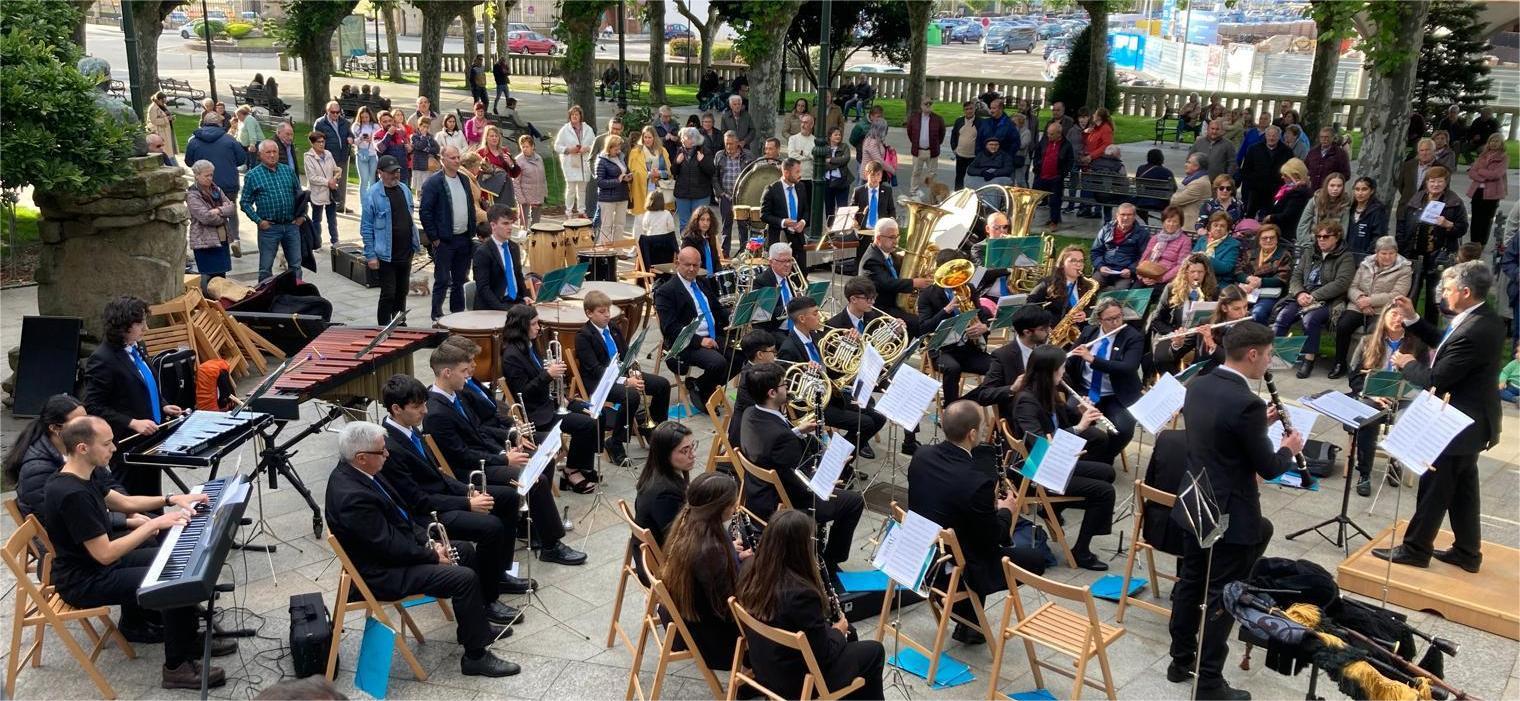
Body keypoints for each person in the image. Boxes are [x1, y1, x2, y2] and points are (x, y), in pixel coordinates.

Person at [40, 416, 233, 688]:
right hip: (84, 580)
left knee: (177, 562)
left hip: (97, 566)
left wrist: (172, 499)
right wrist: (154, 523)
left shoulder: (84, 473)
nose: (114, 448)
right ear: (83, 448)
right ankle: (176, 667)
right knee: (172, 581)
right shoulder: (72, 494)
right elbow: (105, 553)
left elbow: (125, 502)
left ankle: (188, 640)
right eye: (107, 443)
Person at [1165, 323, 1303, 699]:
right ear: (1253, 354)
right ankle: (1209, 682)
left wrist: (1259, 426)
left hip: (1195, 500)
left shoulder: (1200, 383)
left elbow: (1218, 435)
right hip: (1227, 511)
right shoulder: (1247, 403)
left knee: (1190, 582)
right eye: (1269, 355)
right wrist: (1289, 448)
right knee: (1223, 594)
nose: (1270, 361)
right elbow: (1270, 468)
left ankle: (1180, 661)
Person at [325, 422, 520, 678]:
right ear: (361, 457)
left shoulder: (363, 471)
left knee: (463, 550)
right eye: (381, 451)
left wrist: (431, 542)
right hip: (382, 573)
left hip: (394, 555)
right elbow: (387, 546)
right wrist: (430, 555)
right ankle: (475, 657)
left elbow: (403, 516)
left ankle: (476, 626)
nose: (387, 454)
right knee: (463, 578)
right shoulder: (352, 498)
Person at [1374, 262, 1505, 573]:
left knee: (1435, 486)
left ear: (1465, 292)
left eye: (1447, 289)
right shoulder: (1482, 318)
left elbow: (1437, 378)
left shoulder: (1474, 330)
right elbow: (1446, 345)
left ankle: (1416, 549)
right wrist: (1413, 319)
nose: (1443, 294)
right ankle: (1467, 552)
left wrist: (1407, 363)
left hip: (1457, 424)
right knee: (1463, 490)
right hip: (1472, 421)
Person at [421, 342, 585, 569]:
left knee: (539, 459)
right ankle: (551, 545)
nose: (468, 375)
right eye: (463, 371)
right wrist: (504, 459)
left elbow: (478, 432)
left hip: (484, 457)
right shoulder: (436, 412)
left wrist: (504, 449)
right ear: (447, 373)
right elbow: (461, 456)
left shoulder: (454, 395)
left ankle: (533, 524)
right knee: (534, 480)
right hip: (469, 472)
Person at [377, 374, 532, 603]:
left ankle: (498, 572)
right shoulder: (390, 447)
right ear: (396, 409)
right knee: (491, 527)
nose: (425, 411)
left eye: (425, 404)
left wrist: (467, 490)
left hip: (441, 496)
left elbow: (438, 474)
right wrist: (467, 503)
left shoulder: (410, 428)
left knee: (509, 496)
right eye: (417, 407)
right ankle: (488, 597)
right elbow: (417, 500)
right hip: (426, 514)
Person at [734, 508, 884, 699]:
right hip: (798, 682)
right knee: (874, 651)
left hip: (764, 665)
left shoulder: (749, 568)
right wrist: (838, 631)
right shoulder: (802, 595)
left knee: (851, 634)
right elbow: (823, 655)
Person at [1010, 346, 1119, 570]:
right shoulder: (1026, 402)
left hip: (1052, 463)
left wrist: (1081, 412)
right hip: (1036, 470)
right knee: (1105, 493)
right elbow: (1039, 444)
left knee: (1108, 472)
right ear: (1049, 371)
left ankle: (1054, 509)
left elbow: (1063, 421)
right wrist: (1079, 428)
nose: (1064, 372)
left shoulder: (1047, 391)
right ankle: (1081, 551)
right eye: (1061, 368)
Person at [497, 305, 604, 499]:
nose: (538, 327)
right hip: (537, 413)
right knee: (586, 424)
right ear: (521, 326)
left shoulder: (530, 345)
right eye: (533, 324)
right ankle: (571, 472)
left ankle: (582, 465)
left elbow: (539, 377)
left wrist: (559, 393)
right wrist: (548, 374)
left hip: (550, 401)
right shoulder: (511, 356)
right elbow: (523, 393)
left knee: (593, 411)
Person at [657, 471, 749, 671]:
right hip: (714, 639)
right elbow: (730, 606)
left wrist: (734, 555)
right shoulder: (711, 551)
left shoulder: (688, 522)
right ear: (717, 509)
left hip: (692, 617)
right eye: (732, 504)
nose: (736, 507)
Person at [777, 296, 887, 458]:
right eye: (815, 313)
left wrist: (849, 343)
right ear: (802, 319)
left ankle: (838, 458)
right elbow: (790, 388)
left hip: (832, 395)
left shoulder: (815, 336)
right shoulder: (789, 348)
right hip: (814, 405)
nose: (820, 316)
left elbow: (835, 363)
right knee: (866, 423)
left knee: (879, 418)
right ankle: (839, 461)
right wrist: (809, 374)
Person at [575, 289, 671, 463]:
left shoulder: (612, 327)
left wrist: (632, 370)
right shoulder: (583, 336)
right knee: (631, 395)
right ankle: (616, 442)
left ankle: (653, 429)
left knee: (662, 384)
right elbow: (596, 370)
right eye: (601, 312)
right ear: (589, 313)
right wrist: (626, 381)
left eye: (608, 310)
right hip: (600, 382)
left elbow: (625, 354)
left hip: (622, 374)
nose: (607, 315)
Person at [1345, 304, 1431, 496]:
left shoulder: (1418, 344)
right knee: (1368, 417)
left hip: (1404, 398)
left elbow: (1425, 378)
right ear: (1383, 317)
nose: (1398, 319)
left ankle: (1395, 462)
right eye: (1393, 314)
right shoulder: (1367, 342)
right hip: (1373, 397)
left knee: (1406, 418)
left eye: (1402, 316)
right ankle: (1364, 473)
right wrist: (1373, 394)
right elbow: (1354, 377)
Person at [654, 245, 737, 409]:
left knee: (739, 355)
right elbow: (670, 328)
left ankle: (701, 386)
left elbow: (716, 308)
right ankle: (706, 392)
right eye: (687, 265)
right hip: (687, 343)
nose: (692, 269)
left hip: (712, 335)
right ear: (677, 263)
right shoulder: (666, 291)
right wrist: (700, 341)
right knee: (718, 363)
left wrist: (733, 318)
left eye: (696, 265)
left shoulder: (702, 282)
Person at [1065, 297, 1143, 462]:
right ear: (1099, 320)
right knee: (1070, 413)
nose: (1116, 322)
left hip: (1117, 394)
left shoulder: (1132, 336)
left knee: (1123, 429)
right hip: (1086, 390)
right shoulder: (1089, 332)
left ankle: (1103, 460)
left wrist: (1093, 360)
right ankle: (1074, 457)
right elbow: (1072, 360)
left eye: (1119, 317)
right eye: (1110, 319)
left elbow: (1129, 367)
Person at [1275, 220, 1356, 379]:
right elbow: (1296, 276)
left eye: (1326, 236)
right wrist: (1299, 293)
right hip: (1303, 296)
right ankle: (1276, 355)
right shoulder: (1310, 251)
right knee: (1283, 316)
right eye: (1318, 236)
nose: (1321, 240)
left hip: (1328, 300)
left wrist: (1314, 296)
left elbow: (1341, 283)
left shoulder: (1345, 257)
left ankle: (1308, 360)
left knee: (1310, 319)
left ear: (1337, 237)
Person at [1330, 237, 1413, 379]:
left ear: (1397, 253)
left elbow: (1397, 294)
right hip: (1358, 305)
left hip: (1383, 309)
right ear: (1376, 252)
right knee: (1343, 325)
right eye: (1384, 253)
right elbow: (1352, 286)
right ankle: (1339, 363)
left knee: (1374, 331)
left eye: (1391, 253)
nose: (1388, 257)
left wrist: (1370, 301)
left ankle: (1371, 368)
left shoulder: (1404, 269)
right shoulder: (1366, 264)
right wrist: (1361, 300)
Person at [6, 395, 98, 521]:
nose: (88, 429)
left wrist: (124, 507)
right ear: (55, 428)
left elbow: (106, 483)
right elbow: (67, 516)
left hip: (89, 518)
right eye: (78, 425)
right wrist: (121, 518)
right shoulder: (37, 470)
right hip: (64, 528)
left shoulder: (79, 447)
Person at [1397, 165, 1468, 316]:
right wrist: (1402, 248)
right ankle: (1408, 324)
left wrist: (1448, 225)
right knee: (1411, 292)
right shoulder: (1416, 199)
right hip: (1414, 253)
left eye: (1440, 181)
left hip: (1439, 255)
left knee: (1434, 296)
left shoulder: (1454, 202)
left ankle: (1430, 327)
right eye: (1432, 181)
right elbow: (1403, 224)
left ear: (1446, 183)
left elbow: (1462, 228)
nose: (1436, 185)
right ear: (1426, 182)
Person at [418, 145, 478, 320]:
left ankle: (457, 315)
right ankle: (436, 315)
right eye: (453, 158)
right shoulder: (434, 183)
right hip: (444, 241)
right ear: (442, 159)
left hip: (464, 238)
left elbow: (470, 206)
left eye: (458, 157)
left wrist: (472, 229)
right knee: (442, 280)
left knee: (460, 279)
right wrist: (434, 238)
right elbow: (425, 212)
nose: (457, 160)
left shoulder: (464, 180)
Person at [359, 155, 420, 325]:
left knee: (402, 291)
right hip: (385, 255)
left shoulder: (404, 189)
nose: (395, 175)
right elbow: (366, 227)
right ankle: (383, 328)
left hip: (405, 251)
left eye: (397, 171)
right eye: (391, 172)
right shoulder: (373, 194)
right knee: (388, 293)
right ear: (380, 172)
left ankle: (400, 323)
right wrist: (370, 255)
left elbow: (409, 218)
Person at [967, 305, 1052, 420]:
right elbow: (984, 395)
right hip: (1022, 416)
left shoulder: (1046, 347)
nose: (1049, 331)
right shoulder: (1003, 356)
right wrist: (1012, 388)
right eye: (1043, 329)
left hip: (1048, 409)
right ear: (1027, 332)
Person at [239, 140, 305, 283]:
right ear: (260, 155)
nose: (272, 155)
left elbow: (300, 195)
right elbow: (244, 202)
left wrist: (302, 216)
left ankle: (296, 293)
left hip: (291, 226)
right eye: (268, 152)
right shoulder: (253, 175)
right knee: (265, 268)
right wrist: (258, 221)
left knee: (295, 265)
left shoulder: (288, 171)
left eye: (275, 152)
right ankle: (265, 294)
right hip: (269, 228)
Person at [1149, 254, 1221, 374]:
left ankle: (1196, 380)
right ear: (1185, 273)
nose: (1196, 276)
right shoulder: (1171, 289)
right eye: (1192, 272)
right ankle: (1175, 383)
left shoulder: (1214, 291)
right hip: (1175, 332)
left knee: (1205, 359)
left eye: (1200, 272)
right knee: (1162, 358)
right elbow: (1156, 319)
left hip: (1201, 334)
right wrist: (1174, 333)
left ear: (1206, 273)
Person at [184, 113, 245, 253]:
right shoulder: (229, 139)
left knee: (205, 212)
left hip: (202, 186)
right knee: (230, 209)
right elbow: (242, 159)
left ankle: (212, 241)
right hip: (228, 182)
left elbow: (188, 162)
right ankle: (235, 239)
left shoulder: (194, 141)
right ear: (219, 124)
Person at [860, 219, 929, 335]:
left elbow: (899, 271)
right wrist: (914, 282)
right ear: (878, 238)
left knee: (930, 313)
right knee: (919, 323)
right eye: (892, 237)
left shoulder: (889, 254)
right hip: (879, 308)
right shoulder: (871, 260)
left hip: (893, 304)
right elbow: (887, 283)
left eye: (897, 237)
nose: (896, 241)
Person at [633, 421, 696, 547]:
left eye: (692, 446)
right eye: (684, 451)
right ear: (665, 454)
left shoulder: (655, 472)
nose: (693, 455)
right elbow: (679, 539)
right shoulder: (665, 494)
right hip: (665, 553)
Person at [726, 331, 781, 453]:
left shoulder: (760, 369)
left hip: (758, 425)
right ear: (760, 355)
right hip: (748, 436)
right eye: (772, 351)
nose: (775, 354)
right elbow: (764, 409)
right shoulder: (750, 380)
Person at [471, 204, 531, 311]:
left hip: (514, 301)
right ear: (493, 225)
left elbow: (518, 275)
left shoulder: (513, 247)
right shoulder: (483, 252)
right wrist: (503, 309)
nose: (510, 227)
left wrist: (525, 295)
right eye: (505, 223)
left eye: (511, 223)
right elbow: (483, 288)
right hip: (492, 306)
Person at [1028, 244, 1098, 331]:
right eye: (1073, 261)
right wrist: (1044, 325)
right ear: (1062, 264)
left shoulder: (1088, 286)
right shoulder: (1047, 283)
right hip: (1051, 331)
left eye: (1081, 261)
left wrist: (1085, 314)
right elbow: (1030, 305)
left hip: (1079, 331)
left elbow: (1093, 308)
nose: (1078, 264)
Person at [1236, 223, 1294, 324]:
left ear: (1277, 239)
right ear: (1259, 240)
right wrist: (1248, 279)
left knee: (1258, 313)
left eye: (1272, 238)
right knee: (1232, 309)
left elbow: (1282, 279)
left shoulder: (1284, 255)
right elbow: (1238, 271)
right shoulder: (1250, 253)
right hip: (1248, 291)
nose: (1268, 240)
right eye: (1264, 238)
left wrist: (1260, 282)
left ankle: (1262, 333)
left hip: (1270, 294)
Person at [760, 158, 812, 269]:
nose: (800, 175)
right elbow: (764, 215)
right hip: (779, 237)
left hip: (798, 238)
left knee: (802, 271)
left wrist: (803, 222)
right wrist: (783, 222)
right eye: (797, 172)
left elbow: (806, 210)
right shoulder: (771, 189)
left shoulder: (801, 187)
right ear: (786, 172)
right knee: (780, 272)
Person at [1091, 203, 1151, 289]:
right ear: (1117, 215)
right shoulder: (1106, 229)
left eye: (1129, 215)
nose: (1126, 218)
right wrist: (1100, 266)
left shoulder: (1142, 234)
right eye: (1123, 214)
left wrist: (1131, 270)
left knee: (1119, 292)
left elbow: (1144, 258)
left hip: (1125, 273)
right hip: (1104, 269)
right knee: (1091, 286)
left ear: (1134, 216)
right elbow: (1095, 251)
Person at [1238, 125, 1292, 220]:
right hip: (1255, 191)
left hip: (1276, 191)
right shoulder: (1254, 149)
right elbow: (1246, 169)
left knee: (1271, 218)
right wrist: (1251, 184)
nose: (1271, 138)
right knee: (1250, 216)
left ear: (1279, 137)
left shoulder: (1287, 151)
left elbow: (1289, 170)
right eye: (1269, 135)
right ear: (1265, 136)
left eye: (1274, 136)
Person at [554, 106, 596, 217]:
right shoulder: (565, 130)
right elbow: (557, 146)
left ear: (581, 116)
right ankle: (569, 211)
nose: (574, 116)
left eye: (576, 114)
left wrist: (586, 148)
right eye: (572, 114)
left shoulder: (588, 129)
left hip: (584, 163)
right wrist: (568, 150)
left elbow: (594, 144)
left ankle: (581, 211)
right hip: (570, 163)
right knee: (571, 189)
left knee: (582, 189)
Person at [628, 126, 671, 236]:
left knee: (657, 220)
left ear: (654, 138)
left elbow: (669, 172)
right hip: (642, 189)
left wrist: (659, 174)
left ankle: (654, 244)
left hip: (659, 189)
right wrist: (648, 174)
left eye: (649, 137)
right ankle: (637, 244)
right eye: (645, 137)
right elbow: (633, 171)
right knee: (640, 219)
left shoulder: (662, 151)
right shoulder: (636, 152)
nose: (647, 140)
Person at [672, 127, 715, 234]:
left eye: (684, 137)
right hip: (682, 194)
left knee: (699, 223)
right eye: (682, 137)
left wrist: (703, 161)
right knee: (684, 223)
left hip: (700, 195)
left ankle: (699, 243)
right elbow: (673, 172)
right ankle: (685, 243)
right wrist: (677, 163)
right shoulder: (680, 151)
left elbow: (711, 171)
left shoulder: (705, 151)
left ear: (693, 139)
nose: (681, 139)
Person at [1137, 206, 1194, 287]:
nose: (1171, 224)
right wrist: (1142, 276)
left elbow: (1181, 265)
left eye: (1175, 221)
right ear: (1163, 222)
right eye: (1168, 221)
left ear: (1180, 223)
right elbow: (1144, 258)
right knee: (1134, 290)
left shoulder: (1185, 240)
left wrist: (1160, 279)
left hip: (1167, 279)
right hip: (1148, 274)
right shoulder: (1155, 238)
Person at [1264, 158, 1313, 252]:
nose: (1282, 177)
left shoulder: (1299, 193)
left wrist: (1270, 217)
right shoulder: (1286, 189)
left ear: (1296, 176)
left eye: (1285, 175)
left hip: (1286, 236)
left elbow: (1288, 215)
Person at [1466, 133, 1507, 247]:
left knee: (1486, 219)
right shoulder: (1482, 156)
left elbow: (1496, 174)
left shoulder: (1503, 157)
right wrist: (1483, 177)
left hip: (1492, 193)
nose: (1493, 143)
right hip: (1478, 191)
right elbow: (1471, 172)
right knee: (1475, 218)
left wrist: (1480, 171)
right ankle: (1473, 242)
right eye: (1492, 141)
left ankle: (1481, 243)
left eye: (1496, 141)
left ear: (1501, 143)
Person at [302, 131, 341, 247]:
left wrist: (337, 174)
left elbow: (334, 168)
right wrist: (328, 182)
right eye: (318, 142)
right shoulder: (308, 157)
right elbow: (312, 177)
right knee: (317, 220)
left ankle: (335, 241)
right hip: (317, 192)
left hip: (330, 192)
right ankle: (317, 243)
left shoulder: (328, 153)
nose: (321, 144)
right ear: (312, 143)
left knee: (332, 219)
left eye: (323, 141)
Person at [1031, 122, 1074, 228]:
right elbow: (1037, 154)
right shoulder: (1044, 141)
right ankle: (1028, 218)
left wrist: (1063, 173)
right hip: (1041, 176)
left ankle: (1054, 221)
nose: (1048, 136)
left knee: (1055, 201)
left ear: (1059, 134)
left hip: (1056, 178)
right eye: (1048, 133)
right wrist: (1036, 167)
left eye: (1051, 134)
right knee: (1033, 198)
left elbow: (1070, 161)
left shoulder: (1066, 145)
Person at [313, 101, 353, 215]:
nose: (336, 114)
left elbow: (350, 133)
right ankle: (328, 204)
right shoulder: (320, 123)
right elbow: (316, 140)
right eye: (333, 112)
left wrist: (351, 137)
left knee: (342, 182)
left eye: (337, 112)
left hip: (342, 156)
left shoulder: (345, 122)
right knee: (329, 182)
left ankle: (340, 205)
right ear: (327, 111)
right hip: (328, 158)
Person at [593, 134, 633, 244]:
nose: (618, 151)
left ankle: (618, 250)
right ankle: (605, 251)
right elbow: (600, 182)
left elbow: (625, 172)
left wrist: (628, 178)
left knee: (620, 225)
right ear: (609, 147)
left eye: (619, 148)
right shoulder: (601, 160)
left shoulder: (621, 158)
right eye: (616, 149)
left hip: (622, 196)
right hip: (607, 199)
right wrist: (618, 180)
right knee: (606, 226)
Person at [1296, 171, 1351, 250]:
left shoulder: (1345, 204)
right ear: (1326, 185)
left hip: (1332, 245)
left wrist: (1334, 246)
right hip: (1311, 242)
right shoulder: (1315, 200)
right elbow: (1303, 224)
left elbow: (1343, 229)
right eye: (1332, 185)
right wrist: (1306, 243)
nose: (1335, 189)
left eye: (1339, 186)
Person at [476, 125, 521, 209]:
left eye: (496, 136)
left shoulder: (504, 151)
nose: (494, 138)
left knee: (504, 213)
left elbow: (515, 173)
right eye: (491, 136)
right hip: (488, 191)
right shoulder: (480, 153)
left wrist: (511, 163)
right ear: (486, 138)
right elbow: (475, 172)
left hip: (504, 189)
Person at [907, 98, 946, 189]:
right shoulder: (914, 118)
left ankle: (933, 193)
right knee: (916, 173)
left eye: (930, 104)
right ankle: (914, 192)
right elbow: (910, 132)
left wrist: (936, 144)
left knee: (932, 174)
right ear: (921, 106)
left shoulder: (938, 119)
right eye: (926, 104)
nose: (928, 105)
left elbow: (942, 133)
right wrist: (916, 143)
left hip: (932, 151)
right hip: (918, 151)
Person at [1346, 176, 1389, 256]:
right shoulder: (1350, 209)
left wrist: (1368, 254)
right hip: (1348, 254)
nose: (1360, 193)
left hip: (1367, 256)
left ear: (1372, 191)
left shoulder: (1377, 210)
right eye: (1357, 189)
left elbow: (1379, 236)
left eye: (1364, 189)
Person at [1170, 153, 1213, 231]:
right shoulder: (1195, 180)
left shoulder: (1199, 183)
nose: (1185, 165)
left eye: (1189, 162)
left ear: (1197, 166)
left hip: (1190, 227)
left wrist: (1175, 194)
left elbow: (1175, 200)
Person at [850, 160, 895, 231]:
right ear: (866, 175)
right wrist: (853, 220)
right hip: (863, 229)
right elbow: (851, 211)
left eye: (878, 175)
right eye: (872, 175)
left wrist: (892, 220)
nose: (875, 178)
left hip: (881, 229)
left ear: (881, 176)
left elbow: (891, 209)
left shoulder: (887, 191)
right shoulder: (858, 191)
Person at [1395, 138, 1438, 210]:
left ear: (1434, 151)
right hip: (1406, 208)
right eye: (1422, 150)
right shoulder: (1408, 165)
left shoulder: (1440, 168)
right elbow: (1401, 185)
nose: (1424, 153)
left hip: (1427, 209)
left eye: (1427, 150)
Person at [1304, 127, 1350, 191]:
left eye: (1326, 137)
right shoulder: (1312, 152)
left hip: (1329, 191)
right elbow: (1305, 168)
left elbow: (1346, 174)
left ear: (1332, 138)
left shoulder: (1340, 154)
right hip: (1312, 190)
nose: (1324, 139)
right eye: (1322, 137)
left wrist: (1335, 185)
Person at [1134, 148, 1176, 216]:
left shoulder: (1141, 168)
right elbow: (1174, 188)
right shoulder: (1167, 172)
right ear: (1161, 158)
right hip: (1161, 203)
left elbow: (1137, 185)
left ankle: (1145, 220)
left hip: (1142, 201)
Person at [949, 101, 979, 191]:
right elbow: (954, 135)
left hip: (974, 156)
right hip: (961, 155)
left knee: (972, 177)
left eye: (971, 108)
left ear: (974, 109)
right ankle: (958, 194)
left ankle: (971, 195)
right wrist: (954, 148)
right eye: (967, 109)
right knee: (959, 177)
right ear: (964, 111)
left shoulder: (980, 122)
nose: (969, 111)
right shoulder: (959, 121)